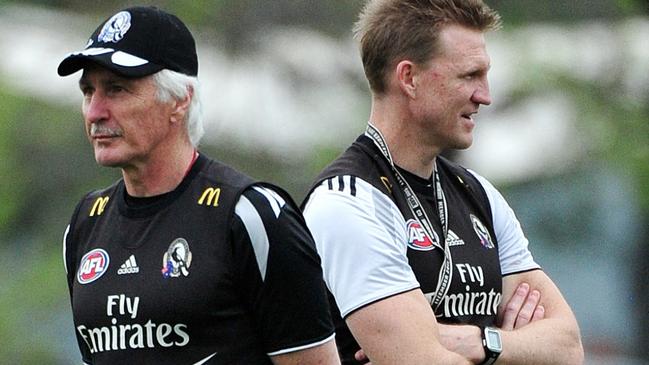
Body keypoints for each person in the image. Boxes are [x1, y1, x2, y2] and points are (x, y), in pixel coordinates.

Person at [301, 0, 584, 364]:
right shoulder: (348, 202)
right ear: (409, 78)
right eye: (469, 75)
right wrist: (515, 350)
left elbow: (568, 347)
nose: (485, 95)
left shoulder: (478, 193)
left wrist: (481, 343)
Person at [58, 6, 340, 365]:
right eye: (88, 91)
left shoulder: (250, 215)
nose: (95, 111)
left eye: (116, 89)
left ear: (179, 100)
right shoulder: (85, 224)